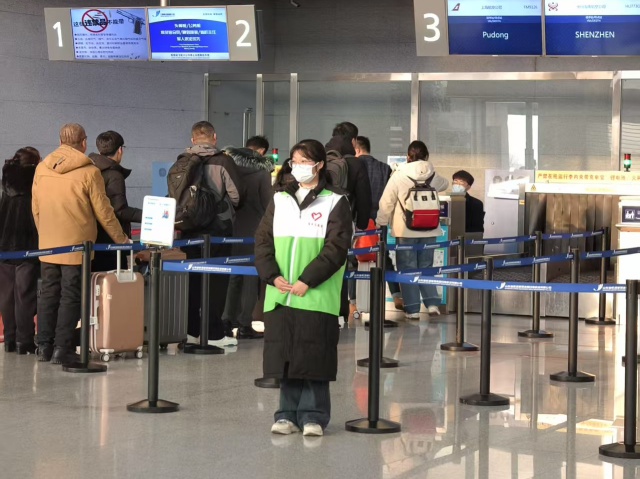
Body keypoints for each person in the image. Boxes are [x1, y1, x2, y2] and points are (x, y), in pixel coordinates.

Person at [255, 139, 352, 437]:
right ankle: (286, 414)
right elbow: (262, 241)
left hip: (315, 294)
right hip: (281, 293)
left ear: (319, 164)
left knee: (314, 356)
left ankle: (313, 415)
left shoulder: (336, 201)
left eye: (305, 161)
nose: (298, 167)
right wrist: (272, 276)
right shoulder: (280, 199)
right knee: (285, 357)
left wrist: (307, 280)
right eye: (294, 161)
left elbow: (336, 248)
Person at [33, 123, 128, 363]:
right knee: (71, 295)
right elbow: (104, 212)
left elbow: (35, 208)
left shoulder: (41, 168)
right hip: (77, 246)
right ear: (84, 143)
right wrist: (122, 240)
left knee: (48, 293)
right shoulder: (89, 172)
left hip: (48, 244)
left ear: (59, 141)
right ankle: (62, 349)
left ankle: (43, 347)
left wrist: (45, 234)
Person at [177, 121, 242, 348]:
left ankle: (192, 331)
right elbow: (237, 195)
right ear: (214, 137)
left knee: (193, 280)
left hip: (188, 229)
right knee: (217, 280)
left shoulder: (182, 160)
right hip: (217, 230)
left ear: (192, 139)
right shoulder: (223, 161)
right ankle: (214, 334)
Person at [376, 141, 449, 320]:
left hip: (405, 230)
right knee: (426, 266)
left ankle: (413, 308)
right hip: (430, 229)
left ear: (408, 156)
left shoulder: (399, 175)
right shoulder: (433, 175)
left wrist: (381, 223)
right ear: (426, 156)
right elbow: (445, 184)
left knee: (407, 269)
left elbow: (386, 202)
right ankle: (432, 304)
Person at [221, 136, 274, 339]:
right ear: (260, 152)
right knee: (251, 277)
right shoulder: (261, 174)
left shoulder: (230, 170)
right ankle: (245, 324)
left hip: (231, 230)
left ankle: (226, 321)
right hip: (253, 231)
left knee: (232, 276)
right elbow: (268, 205)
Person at [325, 122, 372, 320]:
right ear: (353, 141)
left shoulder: (319, 156)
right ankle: (339, 311)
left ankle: (321, 308)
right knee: (339, 263)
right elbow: (364, 197)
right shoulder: (355, 163)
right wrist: (361, 225)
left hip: (314, 221)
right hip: (342, 222)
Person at [354, 136, 403, 311]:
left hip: (358, 220)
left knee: (354, 257)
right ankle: (397, 295)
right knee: (383, 256)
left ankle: (353, 301)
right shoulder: (384, 168)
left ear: (356, 149)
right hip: (378, 220)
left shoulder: (353, 166)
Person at [0, 149, 39, 354]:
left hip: (4, 246)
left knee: (6, 296)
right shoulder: (35, 184)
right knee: (25, 295)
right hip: (27, 246)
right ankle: (24, 340)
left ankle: (9, 339)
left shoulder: (6, 182)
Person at [89, 131, 143, 271]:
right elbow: (119, 210)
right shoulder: (114, 175)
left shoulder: (90, 170)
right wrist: (148, 216)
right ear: (120, 150)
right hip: (111, 241)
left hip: (92, 238)